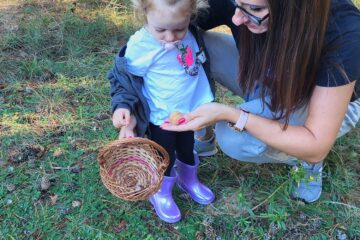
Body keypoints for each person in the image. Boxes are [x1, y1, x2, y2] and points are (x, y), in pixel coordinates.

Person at [161, 0, 360, 204]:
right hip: (268, 75)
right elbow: (165, 18)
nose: (236, 18)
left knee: (233, 137)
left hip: (321, 100)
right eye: (236, 4)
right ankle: (204, 137)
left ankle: (305, 160)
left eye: (255, 9)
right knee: (190, 44)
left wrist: (232, 114)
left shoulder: (342, 28)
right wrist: (127, 96)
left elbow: (317, 143)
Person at [108, 0, 216, 223]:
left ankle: (189, 179)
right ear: (144, 13)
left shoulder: (192, 33)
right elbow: (122, 79)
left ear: (191, 15)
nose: (170, 37)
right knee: (163, 154)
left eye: (179, 28)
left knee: (187, 146)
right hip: (161, 115)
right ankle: (161, 191)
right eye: (161, 30)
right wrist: (123, 106)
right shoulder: (141, 44)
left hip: (189, 111)